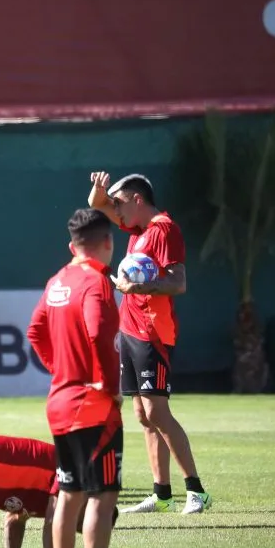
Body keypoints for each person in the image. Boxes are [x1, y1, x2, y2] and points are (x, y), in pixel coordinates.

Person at [88, 172, 210, 515]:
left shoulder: (163, 229)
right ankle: (162, 494)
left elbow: (178, 282)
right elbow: (97, 204)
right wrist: (99, 193)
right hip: (130, 329)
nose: (115, 211)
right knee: (142, 414)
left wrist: (140, 288)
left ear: (137, 200)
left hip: (154, 332)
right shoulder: (138, 229)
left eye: (120, 203)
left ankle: (196, 491)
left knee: (157, 411)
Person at [26, 207, 126, 548]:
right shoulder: (97, 282)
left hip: (60, 401)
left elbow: (35, 331)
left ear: (72, 246)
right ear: (107, 244)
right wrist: (107, 382)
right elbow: (99, 329)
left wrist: (61, 370)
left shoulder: (56, 281)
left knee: (69, 494)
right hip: (93, 406)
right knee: (103, 495)